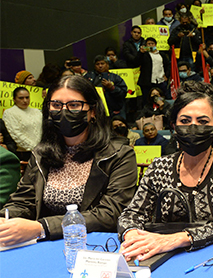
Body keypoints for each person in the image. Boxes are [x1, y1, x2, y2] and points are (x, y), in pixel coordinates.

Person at [118, 81, 213, 262]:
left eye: (202, 121)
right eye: (184, 121)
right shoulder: (158, 167)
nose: (193, 127)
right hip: (173, 254)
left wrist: (176, 239)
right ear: (174, 127)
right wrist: (132, 237)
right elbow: (132, 214)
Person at [0, 76, 137, 245]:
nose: (64, 111)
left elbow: (110, 214)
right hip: (43, 246)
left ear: (92, 111)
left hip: (96, 247)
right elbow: (24, 201)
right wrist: (5, 218)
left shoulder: (119, 154)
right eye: (56, 105)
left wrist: (42, 227)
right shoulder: (41, 154)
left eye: (74, 105)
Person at [2, 87, 43, 162]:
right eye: (21, 98)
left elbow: (43, 130)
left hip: (40, 151)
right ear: (14, 99)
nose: (25, 100)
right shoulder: (9, 113)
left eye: (27, 97)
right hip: (23, 153)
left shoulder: (37, 112)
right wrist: (34, 147)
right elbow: (15, 134)